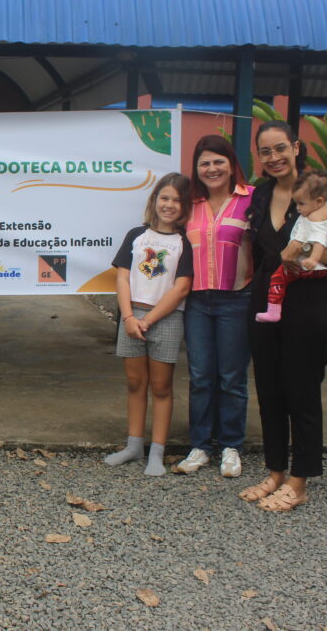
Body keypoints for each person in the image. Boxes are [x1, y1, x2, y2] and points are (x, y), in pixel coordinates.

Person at [241, 120, 327, 511]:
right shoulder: (259, 194)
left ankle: (299, 479)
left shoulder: (321, 193)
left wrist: (312, 259)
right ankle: (275, 471)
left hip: (308, 304)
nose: (273, 157)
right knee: (270, 393)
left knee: (302, 393)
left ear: (296, 147)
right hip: (265, 302)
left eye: (280, 148)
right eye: (265, 151)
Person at [173, 135, 254, 478]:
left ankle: (232, 445)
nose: (212, 168)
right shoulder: (191, 205)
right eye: (204, 163)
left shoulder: (251, 199)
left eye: (218, 161)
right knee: (201, 375)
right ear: (196, 169)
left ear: (231, 164)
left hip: (236, 299)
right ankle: (201, 445)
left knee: (232, 377)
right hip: (197, 301)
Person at [104, 173, 193, 477]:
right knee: (134, 383)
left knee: (161, 387)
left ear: (185, 207)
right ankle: (133, 445)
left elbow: (181, 287)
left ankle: (157, 451)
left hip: (166, 319)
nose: (169, 205)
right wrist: (129, 318)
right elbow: (122, 277)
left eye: (177, 200)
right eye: (164, 197)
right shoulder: (136, 236)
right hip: (132, 318)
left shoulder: (184, 242)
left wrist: (148, 320)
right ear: (154, 200)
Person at [255, 170, 327, 323]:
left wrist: (307, 253)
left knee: (278, 279)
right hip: (313, 271)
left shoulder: (310, 217)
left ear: (319, 201)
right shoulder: (262, 194)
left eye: (300, 204)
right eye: (265, 151)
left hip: (310, 287)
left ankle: (273, 310)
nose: (297, 208)